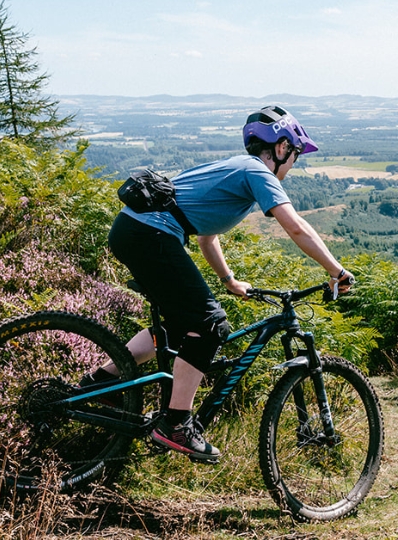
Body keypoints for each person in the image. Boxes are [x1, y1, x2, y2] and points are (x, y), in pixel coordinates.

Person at [83, 106, 353, 463]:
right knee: (209, 325)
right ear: (282, 147)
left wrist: (229, 280)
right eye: (296, 155)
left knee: (176, 329)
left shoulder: (231, 169)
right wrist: (337, 271)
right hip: (151, 235)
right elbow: (296, 227)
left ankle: (100, 381)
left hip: (134, 231)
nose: (294, 164)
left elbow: (206, 237)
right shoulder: (258, 172)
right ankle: (176, 424)